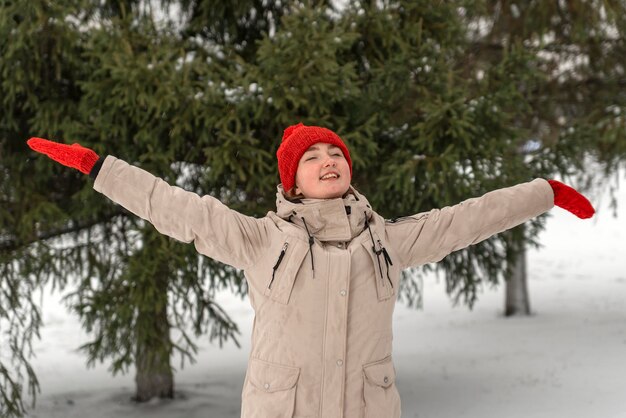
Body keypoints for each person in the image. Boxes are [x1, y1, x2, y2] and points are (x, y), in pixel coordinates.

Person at [27, 123, 594, 418]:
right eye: (311, 158)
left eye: (335, 155)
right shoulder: (259, 239)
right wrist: (100, 168)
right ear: (291, 181)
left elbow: (466, 219)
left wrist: (543, 192)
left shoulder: (387, 241)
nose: (328, 162)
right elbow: (178, 208)